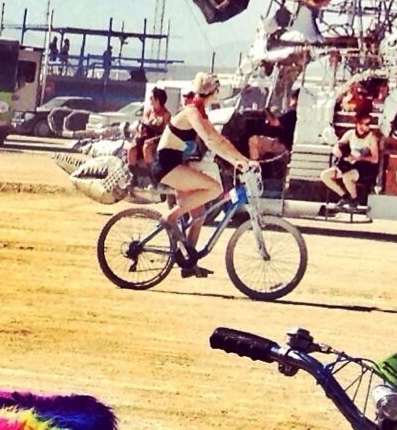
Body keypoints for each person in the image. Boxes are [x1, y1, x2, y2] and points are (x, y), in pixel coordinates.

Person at [153, 72, 254, 277]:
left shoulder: (199, 110)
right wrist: (239, 161)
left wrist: (242, 160)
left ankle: (189, 264)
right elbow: (209, 140)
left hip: (176, 164)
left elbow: (219, 139)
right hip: (167, 166)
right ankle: (169, 218)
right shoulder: (192, 111)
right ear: (214, 92)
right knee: (214, 188)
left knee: (199, 215)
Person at [320, 109, 380, 214]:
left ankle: (354, 199)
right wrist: (338, 151)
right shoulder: (350, 134)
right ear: (358, 124)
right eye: (366, 124)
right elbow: (339, 145)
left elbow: (375, 158)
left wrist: (358, 158)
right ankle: (344, 196)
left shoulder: (371, 138)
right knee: (325, 175)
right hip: (349, 164)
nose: (367, 127)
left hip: (363, 167)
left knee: (347, 177)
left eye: (369, 124)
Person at [249, 87, 300, 165]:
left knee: (254, 140)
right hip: (288, 144)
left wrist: (267, 111)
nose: (291, 101)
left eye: (293, 98)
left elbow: (274, 122)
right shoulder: (300, 115)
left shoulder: (293, 114)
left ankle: (254, 169)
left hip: (284, 146)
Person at [129, 86, 171, 171]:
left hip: (157, 138)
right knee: (132, 149)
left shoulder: (166, 115)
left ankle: (152, 174)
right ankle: (134, 174)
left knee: (147, 147)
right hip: (145, 135)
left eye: (151, 98)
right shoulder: (149, 111)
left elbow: (165, 133)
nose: (150, 100)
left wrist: (154, 137)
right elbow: (144, 123)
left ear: (157, 100)